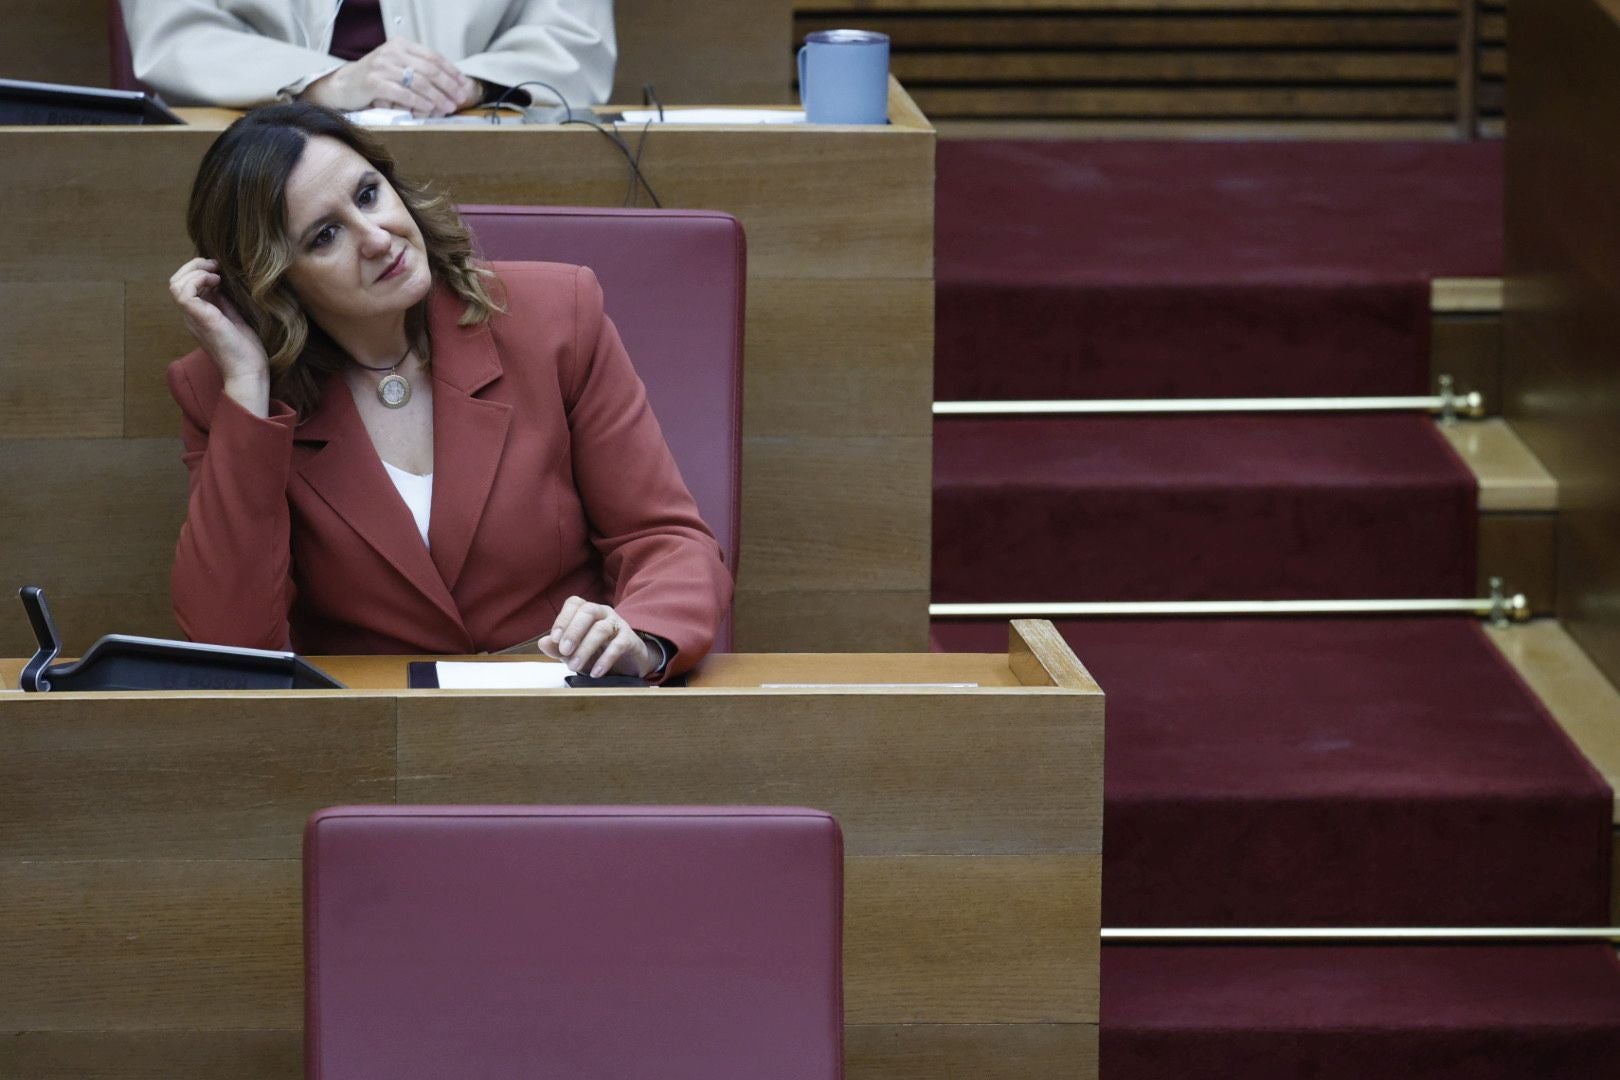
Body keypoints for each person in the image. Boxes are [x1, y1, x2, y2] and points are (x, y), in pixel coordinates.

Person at [165, 102, 729, 681]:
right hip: (373, 734)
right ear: (272, 281)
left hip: (564, 706)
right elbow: (229, 643)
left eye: (367, 195)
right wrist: (247, 385)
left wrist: (639, 636)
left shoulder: (555, 316)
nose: (377, 237)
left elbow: (664, 538)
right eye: (325, 235)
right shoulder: (231, 398)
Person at [121, 0, 615, 115]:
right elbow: (178, 37)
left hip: (469, 136)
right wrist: (323, 83)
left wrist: (470, 85)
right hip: (259, 138)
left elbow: (574, 34)